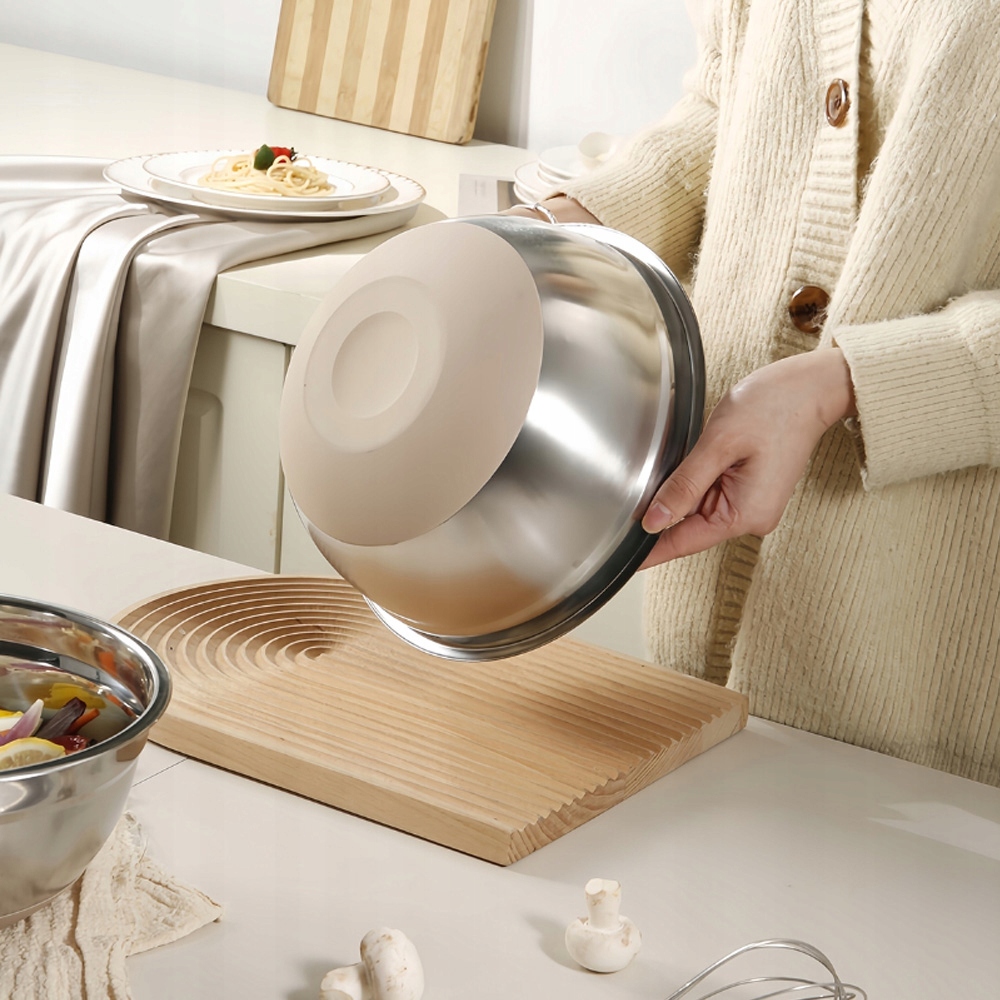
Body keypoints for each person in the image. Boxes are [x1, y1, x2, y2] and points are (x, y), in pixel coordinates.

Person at [507, 0, 1000, 785]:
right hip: (699, 624)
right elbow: (730, 100)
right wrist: (574, 230)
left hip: (922, 654)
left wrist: (844, 385)